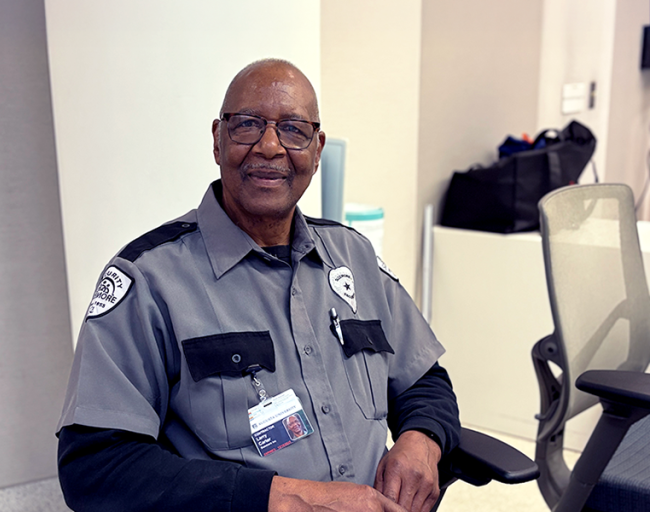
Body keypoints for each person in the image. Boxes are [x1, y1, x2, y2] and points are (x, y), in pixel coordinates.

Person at [56, 58, 460, 512]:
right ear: (217, 139)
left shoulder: (353, 257)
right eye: (247, 125)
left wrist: (421, 441)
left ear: (317, 147)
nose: (269, 146)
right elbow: (94, 467)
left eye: (293, 129)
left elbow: (425, 380)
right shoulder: (148, 279)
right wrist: (286, 498)